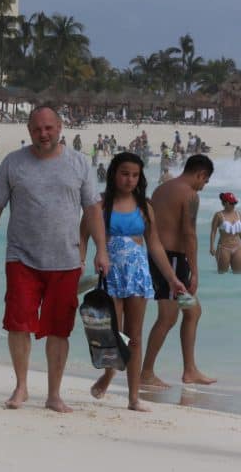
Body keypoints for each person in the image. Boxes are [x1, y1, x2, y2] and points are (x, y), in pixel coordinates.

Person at [0, 105, 109, 413]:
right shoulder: (13, 163)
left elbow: (92, 209)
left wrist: (101, 250)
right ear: (29, 131)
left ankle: (54, 394)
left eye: (48, 128)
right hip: (22, 257)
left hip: (66, 259)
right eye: (37, 129)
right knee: (18, 323)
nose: (43, 134)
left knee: (59, 329)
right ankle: (21, 386)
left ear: (60, 127)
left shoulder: (79, 163)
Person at [79, 152, 187, 411]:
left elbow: (155, 246)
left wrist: (172, 279)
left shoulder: (144, 207)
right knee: (113, 334)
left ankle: (133, 398)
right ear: (114, 174)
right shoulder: (99, 205)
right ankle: (108, 374)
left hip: (137, 275)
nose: (129, 180)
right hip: (110, 275)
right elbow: (82, 236)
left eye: (135, 175)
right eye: (125, 174)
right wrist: (79, 264)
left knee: (134, 336)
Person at [141, 154, 217, 388]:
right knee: (167, 317)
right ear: (200, 174)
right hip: (172, 260)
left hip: (159, 257)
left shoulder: (162, 189)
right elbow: (189, 234)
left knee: (193, 312)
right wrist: (195, 272)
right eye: (205, 181)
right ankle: (146, 372)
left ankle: (189, 370)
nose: (203, 186)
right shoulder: (190, 194)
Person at [209, 192, 241, 274]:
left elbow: (240, 232)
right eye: (231, 203)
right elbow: (213, 231)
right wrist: (212, 246)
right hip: (224, 248)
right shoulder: (218, 215)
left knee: (238, 273)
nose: (234, 205)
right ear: (225, 203)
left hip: (237, 247)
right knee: (222, 273)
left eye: (234, 203)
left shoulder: (239, 214)